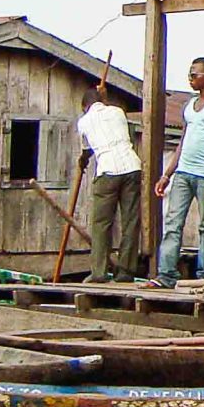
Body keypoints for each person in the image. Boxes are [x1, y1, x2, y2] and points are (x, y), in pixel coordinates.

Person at [149, 57, 204, 286]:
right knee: (173, 223)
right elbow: (183, 142)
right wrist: (167, 174)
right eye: (189, 74)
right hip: (183, 174)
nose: (190, 79)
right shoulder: (188, 106)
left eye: (194, 75)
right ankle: (166, 275)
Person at [76, 84, 144, 283]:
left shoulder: (84, 122)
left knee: (101, 224)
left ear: (84, 106)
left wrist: (82, 160)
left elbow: (87, 149)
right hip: (131, 167)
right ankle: (125, 272)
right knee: (131, 221)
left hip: (108, 170)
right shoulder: (118, 112)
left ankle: (99, 272)